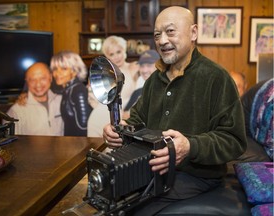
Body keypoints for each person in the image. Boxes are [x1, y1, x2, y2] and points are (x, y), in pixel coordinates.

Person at [103, 6, 247, 215]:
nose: (162, 41)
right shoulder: (154, 79)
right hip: (151, 170)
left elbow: (234, 141)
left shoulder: (217, 78)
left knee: (130, 210)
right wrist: (121, 130)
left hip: (195, 176)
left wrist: (189, 147)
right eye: (157, 35)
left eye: (170, 31)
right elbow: (137, 120)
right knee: (105, 195)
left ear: (194, 33)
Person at [87, 36, 140, 137]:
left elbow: (142, 93)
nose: (116, 56)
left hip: (123, 117)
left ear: (124, 50)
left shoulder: (134, 67)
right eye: (111, 54)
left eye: (118, 52)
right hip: (98, 117)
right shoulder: (103, 74)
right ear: (107, 56)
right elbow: (94, 98)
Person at [7, 62, 64, 136]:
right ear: (27, 81)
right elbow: (9, 145)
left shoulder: (62, 101)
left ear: (50, 78)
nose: (38, 84)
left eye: (43, 78)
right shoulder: (16, 111)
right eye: (32, 80)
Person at [50, 50, 92, 136]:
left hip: (78, 144)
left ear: (75, 71)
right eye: (55, 69)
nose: (57, 73)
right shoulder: (67, 89)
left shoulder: (78, 90)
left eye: (64, 69)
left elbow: (83, 126)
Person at [123, 49, 160, 119]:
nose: (144, 70)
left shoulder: (166, 91)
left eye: (149, 65)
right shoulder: (137, 92)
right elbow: (124, 115)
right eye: (142, 66)